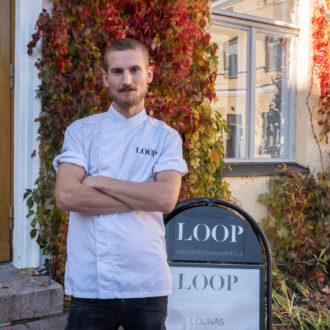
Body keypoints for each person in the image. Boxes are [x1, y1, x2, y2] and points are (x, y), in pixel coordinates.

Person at [53, 38, 188, 330]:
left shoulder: (166, 137)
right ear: (105, 78)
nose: (127, 80)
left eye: (134, 70)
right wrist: (142, 195)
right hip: (92, 284)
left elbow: (165, 199)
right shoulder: (81, 132)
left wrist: (99, 181)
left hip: (147, 284)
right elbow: (66, 195)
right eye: (117, 72)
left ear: (149, 74)